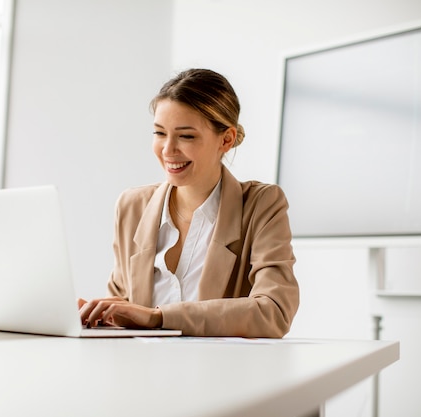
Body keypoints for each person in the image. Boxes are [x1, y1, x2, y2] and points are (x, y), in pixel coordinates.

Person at [79, 68, 299, 338]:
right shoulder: (132, 206)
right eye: (159, 133)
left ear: (226, 139)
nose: (168, 150)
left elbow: (274, 312)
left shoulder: (261, 205)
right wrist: (98, 316)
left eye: (186, 136)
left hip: (220, 374)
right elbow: (121, 309)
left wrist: (159, 317)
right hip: (139, 371)